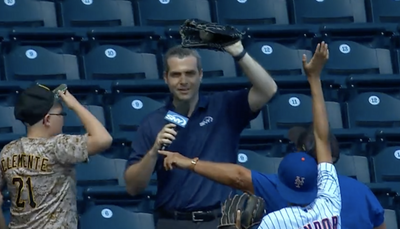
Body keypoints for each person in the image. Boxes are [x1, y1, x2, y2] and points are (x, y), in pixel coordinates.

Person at [159, 42, 386, 229]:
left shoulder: (279, 220)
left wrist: (189, 162)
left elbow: (239, 176)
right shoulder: (331, 199)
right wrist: (315, 78)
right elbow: (322, 137)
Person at [124, 40, 278, 229]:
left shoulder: (224, 107)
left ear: (201, 75)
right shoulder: (153, 122)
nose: (183, 81)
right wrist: (154, 151)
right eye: (176, 75)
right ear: (165, 78)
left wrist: (238, 52)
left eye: (190, 73)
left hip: (221, 220)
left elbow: (268, 90)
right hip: (174, 222)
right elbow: (133, 187)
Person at [0, 84, 113, 229]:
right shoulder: (58, 146)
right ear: (47, 120)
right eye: (61, 114)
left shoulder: (8, 151)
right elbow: (104, 139)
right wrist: (75, 105)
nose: (63, 118)